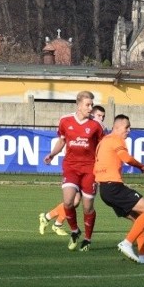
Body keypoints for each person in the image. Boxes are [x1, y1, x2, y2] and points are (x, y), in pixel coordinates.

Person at [94, 114, 144, 264]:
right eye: (127, 127)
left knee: (140, 219)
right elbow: (125, 157)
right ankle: (127, 242)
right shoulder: (116, 139)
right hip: (113, 187)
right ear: (117, 127)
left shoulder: (103, 141)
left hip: (105, 191)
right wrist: (141, 166)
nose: (129, 130)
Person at [43, 91, 104, 252]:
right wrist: (52, 154)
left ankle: (88, 239)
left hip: (89, 169)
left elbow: (101, 148)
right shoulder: (65, 121)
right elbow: (62, 140)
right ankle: (75, 230)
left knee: (87, 208)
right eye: (88, 104)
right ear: (78, 105)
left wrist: (101, 169)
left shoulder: (96, 126)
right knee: (69, 201)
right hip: (70, 167)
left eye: (92, 104)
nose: (90, 108)